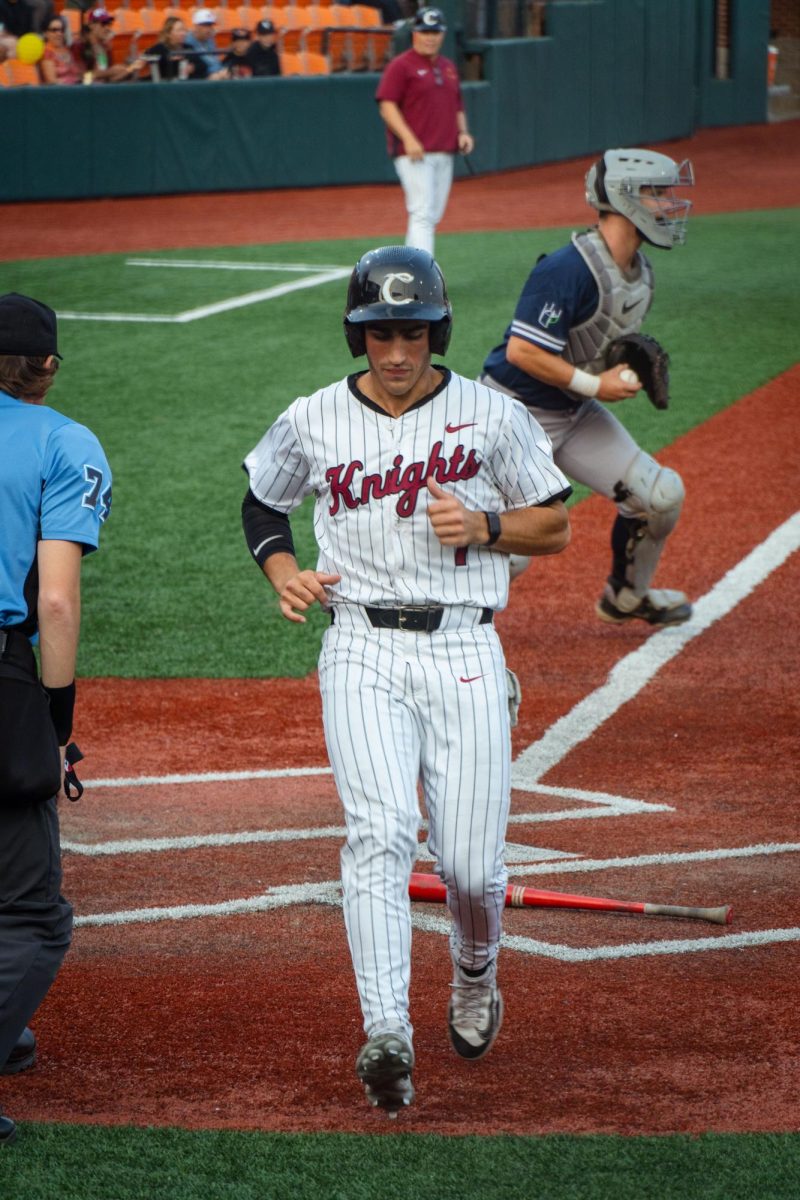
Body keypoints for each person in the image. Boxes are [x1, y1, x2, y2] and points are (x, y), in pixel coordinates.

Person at [241, 246, 570, 1114]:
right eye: (380, 333)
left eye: (413, 333)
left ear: (437, 331)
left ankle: (474, 972)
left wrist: (491, 524)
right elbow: (262, 501)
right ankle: (386, 1029)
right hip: (360, 648)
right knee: (380, 833)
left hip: (464, 649)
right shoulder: (313, 417)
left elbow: (557, 525)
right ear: (358, 334)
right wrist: (282, 572)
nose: (396, 351)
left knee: (469, 867)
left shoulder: (489, 416)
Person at [480, 147, 696, 626]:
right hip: (511, 418)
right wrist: (595, 384)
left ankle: (626, 595)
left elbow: (595, 347)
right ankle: (446, 641)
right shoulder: (568, 268)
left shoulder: (639, 273)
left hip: (571, 413)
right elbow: (522, 352)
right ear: (624, 198)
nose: (667, 205)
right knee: (510, 550)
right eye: (657, 193)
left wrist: (614, 372)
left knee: (659, 497)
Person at [0, 292, 111, 1146]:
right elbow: (59, 603)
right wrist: (54, 719)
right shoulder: (63, 442)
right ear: (46, 366)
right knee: (34, 915)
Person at [375, 7, 474, 256]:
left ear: (442, 35)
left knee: (431, 214)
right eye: (425, 31)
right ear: (414, 33)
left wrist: (463, 133)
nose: (430, 37)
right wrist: (409, 139)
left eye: (435, 32)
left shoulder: (448, 66)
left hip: (445, 151)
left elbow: (457, 105)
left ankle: (411, 269)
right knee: (422, 213)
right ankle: (421, 277)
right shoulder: (401, 66)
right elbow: (387, 106)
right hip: (415, 153)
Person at [74, 8, 142, 83]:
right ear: (91, 25)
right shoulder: (79, 46)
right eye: (103, 24)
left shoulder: (105, 46)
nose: (107, 28)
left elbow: (109, 78)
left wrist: (129, 69)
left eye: (109, 24)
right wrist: (110, 72)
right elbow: (80, 77)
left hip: (105, 88)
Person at [144, 16, 196, 83]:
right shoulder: (159, 48)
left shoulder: (189, 48)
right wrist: (174, 62)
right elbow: (146, 58)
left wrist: (193, 68)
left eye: (184, 30)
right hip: (164, 86)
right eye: (179, 30)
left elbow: (201, 65)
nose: (183, 33)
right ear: (168, 33)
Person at [183, 9, 227, 81]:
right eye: (206, 25)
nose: (209, 29)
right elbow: (196, 67)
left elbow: (214, 61)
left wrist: (222, 71)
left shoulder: (210, 39)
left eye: (210, 25)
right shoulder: (187, 42)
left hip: (217, 75)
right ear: (197, 26)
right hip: (201, 79)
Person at [39, 14, 82, 85]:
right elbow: (51, 81)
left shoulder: (68, 50)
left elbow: (80, 74)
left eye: (61, 30)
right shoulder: (46, 53)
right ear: (46, 33)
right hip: (60, 92)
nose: (59, 33)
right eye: (54, 30)